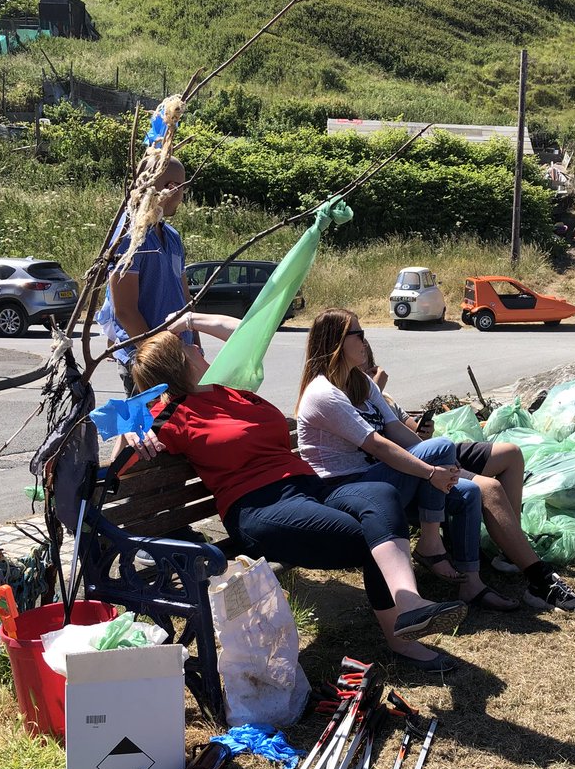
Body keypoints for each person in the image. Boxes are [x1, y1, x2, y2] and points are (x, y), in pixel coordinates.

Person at [125, 314, 467, 674]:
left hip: (308, 487)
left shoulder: (228, 389)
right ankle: (403, 639)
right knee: (367, 537)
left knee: (381, 494)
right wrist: (132, 426)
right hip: (260, 507)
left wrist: (189, 321)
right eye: (186, 346)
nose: (195, 344)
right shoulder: (171, 415)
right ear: (178, 365)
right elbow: (118, 469)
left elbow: (250, 332)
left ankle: (409, 603)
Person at [295, 310, 511, 611]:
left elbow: (396, 428)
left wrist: (439, 464)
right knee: (440, 450)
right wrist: (431, 469)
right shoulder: (323, 394)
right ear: (336, 342)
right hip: (343, 487)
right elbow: (378, 445)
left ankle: (470, 584)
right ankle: (430, 543)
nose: (364, 340)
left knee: (469, 491)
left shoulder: (360, 383)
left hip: (375, 476)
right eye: (357, 333)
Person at [360, 339, 575, 613]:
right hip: (414, 466)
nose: (370, 365)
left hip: (432, 453)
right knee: (488, 488)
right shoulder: (350, 396)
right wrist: (376, 386)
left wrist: (424, 430)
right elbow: (379, 445)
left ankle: (509, 546)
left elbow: (413, 434)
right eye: (364, 357)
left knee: (511, 453)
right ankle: (538, 578)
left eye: (370, 359)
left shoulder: (381, 398)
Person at [101, 157, 191, 396]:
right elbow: (125, 310)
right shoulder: (130, 237)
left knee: (168, 432)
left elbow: (184, 299)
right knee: (143, 432)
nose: (182, 194)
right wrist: (158, 359)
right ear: (169, 188)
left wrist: (194, 349)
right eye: (182, 186)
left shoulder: (172, 236)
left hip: (177, 358)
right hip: (148, 362)